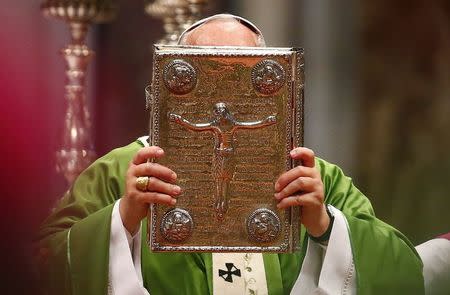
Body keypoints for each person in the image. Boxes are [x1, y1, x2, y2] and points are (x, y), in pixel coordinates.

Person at [36, 14, 424, 295]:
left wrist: (327, 227)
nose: (225, 88)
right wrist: (121, 221)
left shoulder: (310, 176)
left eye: (242, 70)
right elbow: (38, 270)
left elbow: (404, 273)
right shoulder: (123, 170)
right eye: (209, 68)